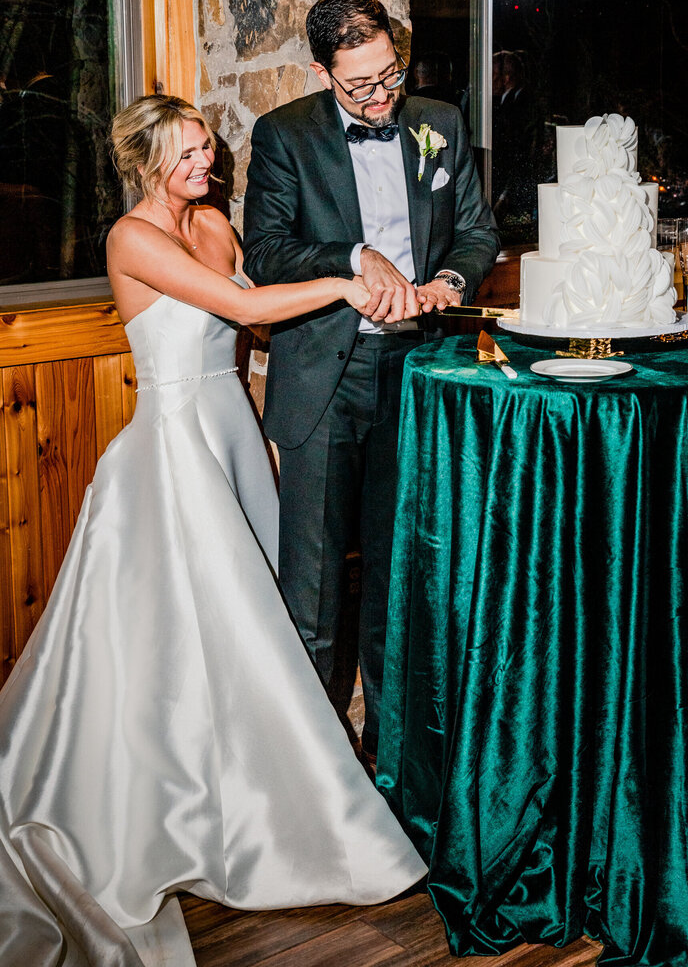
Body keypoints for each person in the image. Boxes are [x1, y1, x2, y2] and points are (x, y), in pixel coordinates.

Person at [0, 95, 426, 967]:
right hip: (170, 451)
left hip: (229, 429)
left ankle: (244, 793)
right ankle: (170, 804)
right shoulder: (131, 239)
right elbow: (248, 315)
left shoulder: (217, 228)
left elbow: (246, 328)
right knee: (172, 644)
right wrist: (350, 280)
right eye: (192, 154)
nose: (210, 165)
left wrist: (266, 432)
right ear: (149, 159)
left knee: (245, 632)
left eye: (210, 151)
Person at [243, 0, 499, 765]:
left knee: (403, 577)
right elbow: (266, 254)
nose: (383, 95)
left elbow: (476, 231)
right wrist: (354, 257)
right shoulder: (283, 135)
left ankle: (398, 765)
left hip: (419, 373)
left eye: (390, 74)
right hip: (327, 376)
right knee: (314, 590)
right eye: (361, 85)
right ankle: (316, 774)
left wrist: (449, 283)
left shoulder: (440, 123)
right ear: (322, 72)